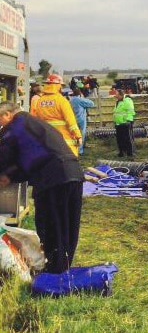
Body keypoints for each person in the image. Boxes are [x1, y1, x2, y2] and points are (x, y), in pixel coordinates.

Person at [0, 101, 84, 274]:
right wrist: (10, 175)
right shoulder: (35, 124)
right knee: (68, 224)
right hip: (73, 173)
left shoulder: (14, 127)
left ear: (7, 115)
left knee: (50, 224)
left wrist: (5, 173)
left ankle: (54, 271)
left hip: (52, 178)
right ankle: (62, 268)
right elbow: (31, 156)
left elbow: (4, 156)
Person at [30, 74, 83, 157]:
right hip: (65, 142)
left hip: (47, 140)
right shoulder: (61, 100)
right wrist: (78, 136)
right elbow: (71, 121)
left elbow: (36, 120)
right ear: (58, 86)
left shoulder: (40, 101)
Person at [69, 88, 96, 155]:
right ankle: (80, 151)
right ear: (80, 94)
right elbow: (92, 104)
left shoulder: (71, 100)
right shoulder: (80, 100)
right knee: (81, 135)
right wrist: (84, 98)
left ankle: (74, 149)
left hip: (73, 119)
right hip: (81, 119)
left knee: (74, 135)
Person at [113, 89, 135, 158]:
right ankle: (121, 152)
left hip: (126, 123)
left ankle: (130, 153)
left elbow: (130, 111)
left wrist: (128, 121)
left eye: (116, 94)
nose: (115, 95)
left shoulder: (127, 101)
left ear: (121, 95)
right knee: (120, 139)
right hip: (118, 123)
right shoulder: (118, 102)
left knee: (128, 139)